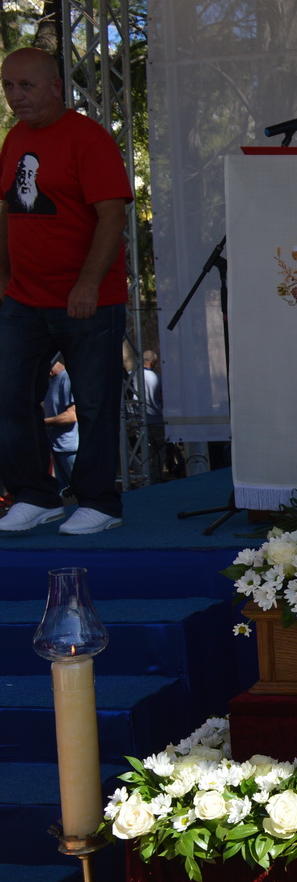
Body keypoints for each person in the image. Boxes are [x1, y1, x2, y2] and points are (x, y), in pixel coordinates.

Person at [0, 46, 132, 535]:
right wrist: (2, 277)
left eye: (26, 85)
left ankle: (99, 501)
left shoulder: (88, 138)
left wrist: (88, 283)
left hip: (86, 299)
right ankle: (36, 495)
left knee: (95, 404)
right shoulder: (14, 139)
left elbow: (112, 216)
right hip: (24, 298)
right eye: (8, 86)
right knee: (10, 396)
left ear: (56, 87)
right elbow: (7, 212)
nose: (16, 96)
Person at [42, 358, 78, 493]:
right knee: (64, 492)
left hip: (70, 448)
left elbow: (71, 416)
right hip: (57, 447)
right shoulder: (50, 381)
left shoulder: (67, 378)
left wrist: (42, 422)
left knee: (79, 489)